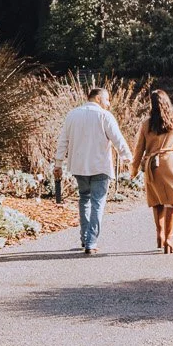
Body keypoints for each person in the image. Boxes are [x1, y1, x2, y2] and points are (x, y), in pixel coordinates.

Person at [56, 86, 130, 255]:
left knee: (84, 199)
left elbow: (63, 141)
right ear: (98, 98)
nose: (109, 103)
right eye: (107, 99)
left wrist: (58, 163)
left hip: (79, 166)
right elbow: (117, 139)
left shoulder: (72, 115)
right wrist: (127, 157)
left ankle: (84, 237)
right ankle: (91, 241)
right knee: (97, 202)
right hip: (100, 166)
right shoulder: (104, 116)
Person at [130, 90, 173, 253]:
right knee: (171, 202)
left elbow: (139, 149)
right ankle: (169, 238)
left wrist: (134, 169)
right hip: (171, 163)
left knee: (157, 200)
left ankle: (159, 235)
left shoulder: (146, 124)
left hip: (153, 166)